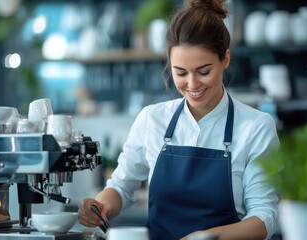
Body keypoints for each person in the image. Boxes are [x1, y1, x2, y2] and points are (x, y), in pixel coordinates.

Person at [78, 0, 280, 239]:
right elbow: (121, 187)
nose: (192, 84)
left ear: (225, 59)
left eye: (203, 71)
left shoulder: (256, 127)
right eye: (181, 72)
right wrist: (102, 205)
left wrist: (205, 239)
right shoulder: (151, 119)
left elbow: (264, 216)